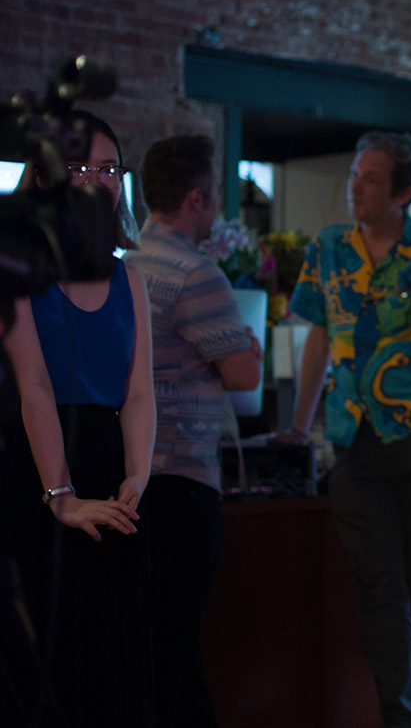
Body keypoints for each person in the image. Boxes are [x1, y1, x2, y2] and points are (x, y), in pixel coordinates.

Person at [277, 131, 411, 728]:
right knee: (378, 582)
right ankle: (406, 715)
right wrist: (299, 422)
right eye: (354, 175)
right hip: (353, 438)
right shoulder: (329, 249)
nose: (355, 186)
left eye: (369, 178)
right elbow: (317, 336)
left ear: (404, 192)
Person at [0, 110, 157, 726]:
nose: (99, 179)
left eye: (110, 167)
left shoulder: (132, 276)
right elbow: (34, 386)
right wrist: (62, 497)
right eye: (80, 166)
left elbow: (139, 393)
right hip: (40, 467)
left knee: (120, 661)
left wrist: (138, 476)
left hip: (116, 469)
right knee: (55, 659)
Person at [123, 133, 263, 727]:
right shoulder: (197, 274)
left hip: (129, 476)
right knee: (178, 650)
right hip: (182, 479)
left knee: (142, 645)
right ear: (198, 198)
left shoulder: (127, 265)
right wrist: (242, 346)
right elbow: (244, 375)